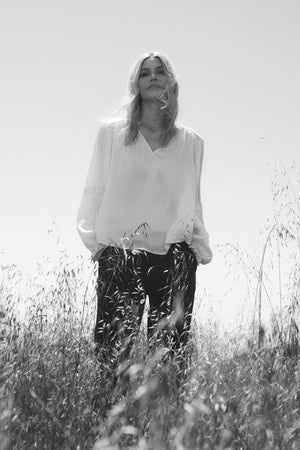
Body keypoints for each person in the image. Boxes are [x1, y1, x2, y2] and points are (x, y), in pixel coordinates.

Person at [77, 51, 212, 360]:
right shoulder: (111, 135)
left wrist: (198, 247)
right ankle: (110, 409)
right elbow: (94, 190)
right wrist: (95, 241)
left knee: (169, 356)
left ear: (171, 82)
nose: (153, 76)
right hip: (120, 254)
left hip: (174, 256)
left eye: (160, 71)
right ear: (135, 83)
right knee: (112, 355)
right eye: (145, 72)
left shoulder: (192, 142)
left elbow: (192, 200)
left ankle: (163, 410)